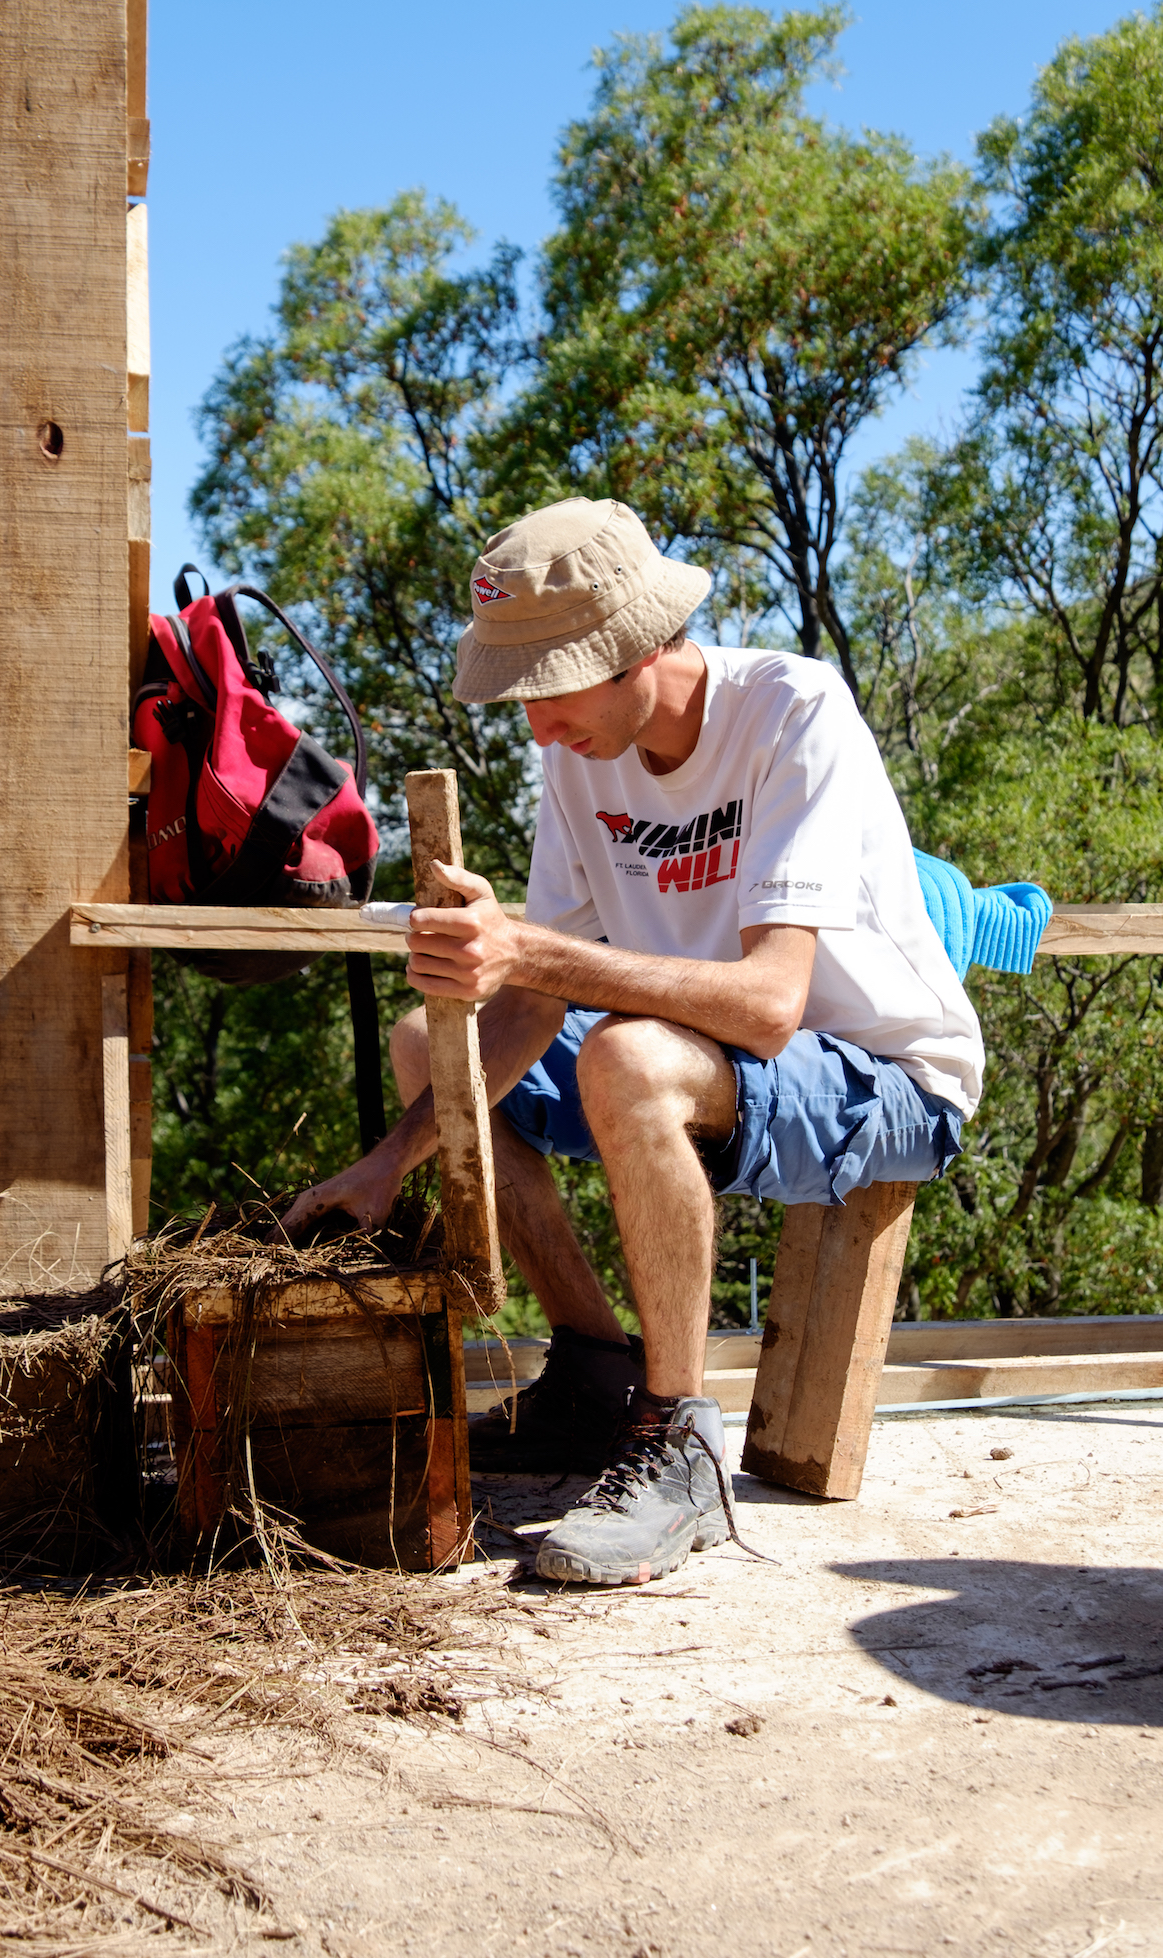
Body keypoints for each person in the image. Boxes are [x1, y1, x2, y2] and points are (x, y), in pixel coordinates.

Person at [280, 497, 984, 1587]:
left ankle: (676, 1441)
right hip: (698, 1052)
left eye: (551, 686)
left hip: (884, 1072)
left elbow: (769, 1006)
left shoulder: (793, 711)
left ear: (639, 648)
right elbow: (529, 1006)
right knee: (432, 1043)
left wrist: (525, 947)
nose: (535, 727)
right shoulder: (581, 755)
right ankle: (593, 1375)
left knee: (626, 1056)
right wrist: (385, 1164)